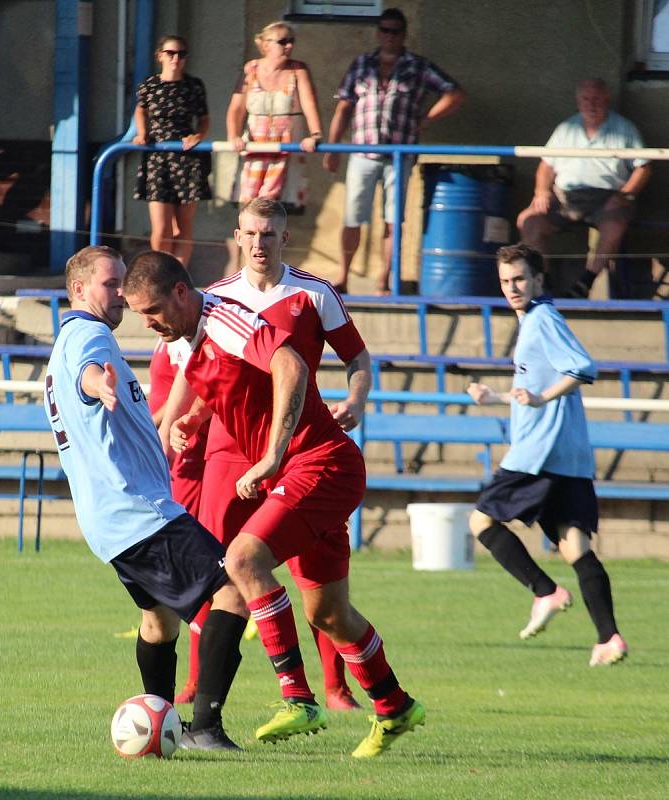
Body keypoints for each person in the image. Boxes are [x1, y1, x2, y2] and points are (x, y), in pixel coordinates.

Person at [123, 249, 425, 758]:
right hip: (303, 471)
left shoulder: (225, 318)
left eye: (152, 311)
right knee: (329, 613)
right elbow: (222, 385)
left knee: (241, 560)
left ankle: (298, 697)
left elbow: (289, 364)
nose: (149, 323)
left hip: (320, 464)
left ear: (180, 293)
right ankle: (395, 707)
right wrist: (193, 421)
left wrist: (271, 454)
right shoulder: (193, 337)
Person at [163, 197, 370, 711]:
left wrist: (357, 398)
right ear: (238, 237)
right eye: (252, 234)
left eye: (270, 234)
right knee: (219, 568)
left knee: (313, 572)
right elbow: (210, 381)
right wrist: (189, 419)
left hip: (296, 449)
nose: (260, 243)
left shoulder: (314, 294)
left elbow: (357, 355)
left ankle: (334, 688)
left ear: (285, 239)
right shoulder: (213, 300)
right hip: (228, 453)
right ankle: (197, 683)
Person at [44, 245, 248, 752]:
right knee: (234, 593)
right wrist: (100, 387)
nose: (119, 295)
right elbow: (87, 373)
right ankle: (205, 728)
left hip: (110, 521)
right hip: (140, 512)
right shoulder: (86, 337)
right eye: (110, 285)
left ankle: (160, 727)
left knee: (159, 622)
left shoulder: (65, 345)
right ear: (79, 291)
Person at [467, 243, 628, 667]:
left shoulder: (542, 319)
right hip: (568, 454)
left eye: (519, 278)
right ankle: (609, 637)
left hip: (538, 453)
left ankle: (546, 591)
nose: (512, 287)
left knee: (481, 520)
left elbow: (581, 368)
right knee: (574, 544)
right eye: (505, 281)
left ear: (538, 278)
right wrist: (497, 395)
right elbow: (536, 390)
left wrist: (539, 400)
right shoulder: (535, 321)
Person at [323, 7, 465, 294]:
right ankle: (343, 277)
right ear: (378, 33)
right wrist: (332, 146)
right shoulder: (362, 64)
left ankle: (384, 279)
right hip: (362, 153)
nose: (389, 36)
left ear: (404, 34)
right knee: (352, 218)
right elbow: (344, 106)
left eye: (395, 31)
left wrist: (425, 120)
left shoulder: (417, 66)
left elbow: (454, 93)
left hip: (399, 155)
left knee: (393, 221)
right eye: (384, 30)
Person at [517, 78, 651, 298]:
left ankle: (584, 283)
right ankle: (544, 284)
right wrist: (541, 191)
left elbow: (643, 168)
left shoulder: (624, 129)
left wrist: (626, 194)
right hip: (565, 198)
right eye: (586, 99)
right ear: (578, 101)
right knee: (528, 221)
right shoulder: (566, 129)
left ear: (607, 99)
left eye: (596, 99)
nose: (591, 104)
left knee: (615, 222)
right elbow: (545, 167)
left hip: (606, 198)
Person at [148, 338, 213, 705]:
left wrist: (149, 430)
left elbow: (188, 388)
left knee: (196, 572)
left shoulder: (192, 332)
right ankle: (193, 680)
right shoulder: (165, 332)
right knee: (186, 573)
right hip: (174, 458)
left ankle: (334, 688)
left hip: (189, 457)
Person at [226, 21, 323, 209]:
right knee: (248, 202)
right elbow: (236, 108)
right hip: (256, 145)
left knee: (274, 205)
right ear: (266, 44)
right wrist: (233, 136)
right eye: (283, 41)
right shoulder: (251, 69)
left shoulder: (298, 70)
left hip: (285, 146)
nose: (289, 46)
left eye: (291, 41)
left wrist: (315, 134)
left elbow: (310, 104)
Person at [133, 35, 211, 267]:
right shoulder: (149, 85)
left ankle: (178, 272)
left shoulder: (193, 85)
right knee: (161, 226)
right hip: (158, 159)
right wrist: (141, 133)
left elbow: (204, 118)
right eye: (170, 53)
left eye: (181, 54)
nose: (176, 58)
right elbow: (140, 110)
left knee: (184, 225)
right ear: (160, 56)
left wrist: (198, 135)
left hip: (187, 158)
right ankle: (162, 269)